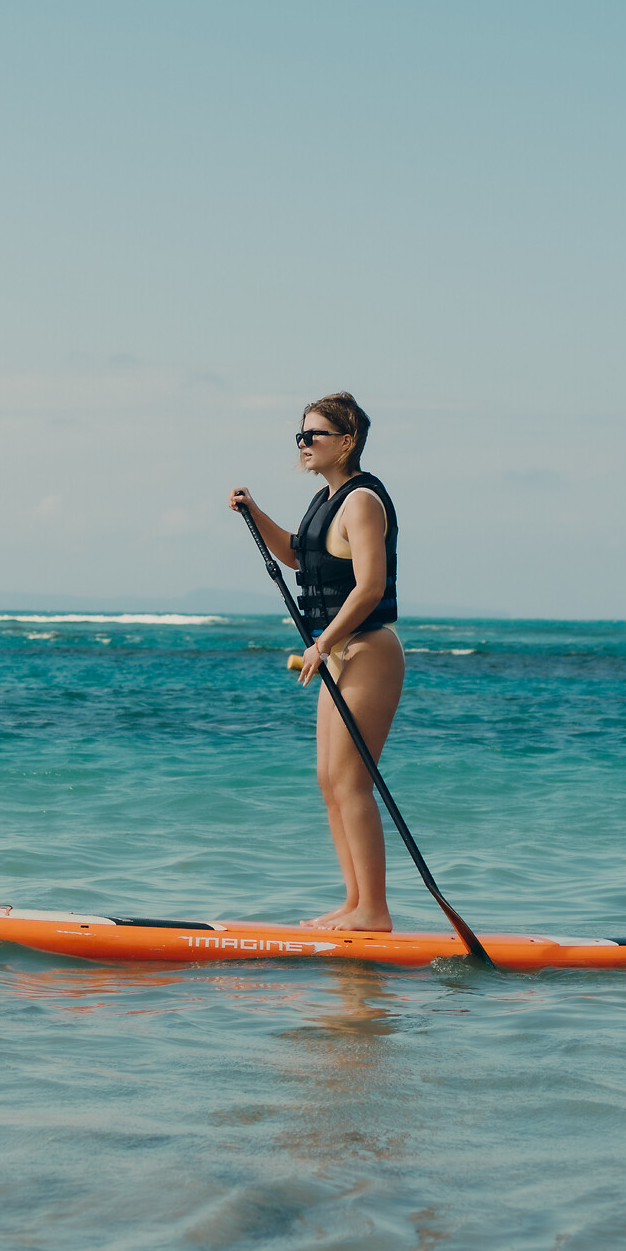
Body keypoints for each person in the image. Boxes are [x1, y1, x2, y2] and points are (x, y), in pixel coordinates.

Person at [227, 392, 404, 932]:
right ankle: (354, 904)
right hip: (336, 651)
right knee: (329, 780)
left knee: (352, 781)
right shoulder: (326, 501)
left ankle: (374, 910)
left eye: (314, 435)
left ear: (346, 441)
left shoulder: (363, 502)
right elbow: (300, 555)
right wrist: (254, 513)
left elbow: (370, 586)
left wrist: (324, 641)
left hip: (368, 649)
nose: (303, 444)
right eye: (299, 436)